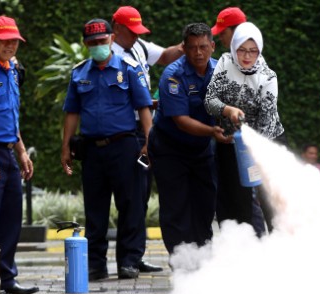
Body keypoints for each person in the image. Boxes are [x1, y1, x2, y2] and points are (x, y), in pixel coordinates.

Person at [60, 19, 153, 281]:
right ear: (85, 45)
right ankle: (96, 265)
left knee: (131, 205)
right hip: (91, 150)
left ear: (111, 39)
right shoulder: (79, 73)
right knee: (95, 209)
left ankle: (129, 261)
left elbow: (143, 107)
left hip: (124, 145)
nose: (98, 46)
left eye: (102, 41)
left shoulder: (129, 68)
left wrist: (149, 142)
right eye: (93, 43)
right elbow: (71, 112)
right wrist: (65, 146)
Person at [111, 5, 185, 272]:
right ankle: (127, 260)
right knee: (131, 195)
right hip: (125, 128)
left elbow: (165, 55)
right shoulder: (107, 53)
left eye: (137, 31)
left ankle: (136, 255)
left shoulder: (139, 46)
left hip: (144, 125)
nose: (134, 35)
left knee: (141, 193)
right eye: (130, 31)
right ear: (116, 28)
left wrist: (187, 44)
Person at [148, 23, 229, 256]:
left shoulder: (221, 72)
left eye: (203, 47)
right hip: (169, 148)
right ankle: (181, 263)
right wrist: (213, 132)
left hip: (201, 149)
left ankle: (203, 256)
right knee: (176, 207)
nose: (198, 53)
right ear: (183, 48)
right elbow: (181, 121)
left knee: (205, 202)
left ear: (213, 46)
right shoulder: (173, 75)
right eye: (192, 48)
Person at [205, 22, 286, 234]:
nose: (247, 56)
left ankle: (281, 251)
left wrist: (251, 147)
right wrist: (228, 110)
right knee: (237, 202)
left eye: (253, 51)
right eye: (241, 49)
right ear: (234, 48)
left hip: (264, 142)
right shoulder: (224, 63)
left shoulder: (268, 77)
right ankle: (246, 252)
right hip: (230, 143)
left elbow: (267, 121)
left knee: (271, 201)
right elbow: (210, 100)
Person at [0, 16, 38, 294]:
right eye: (4, 40)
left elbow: (10, 116)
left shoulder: (12, 69)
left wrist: (21, 151)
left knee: (10, 217)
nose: (10, 45)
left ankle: (6, 278)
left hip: (7, 152)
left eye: (14, 40)